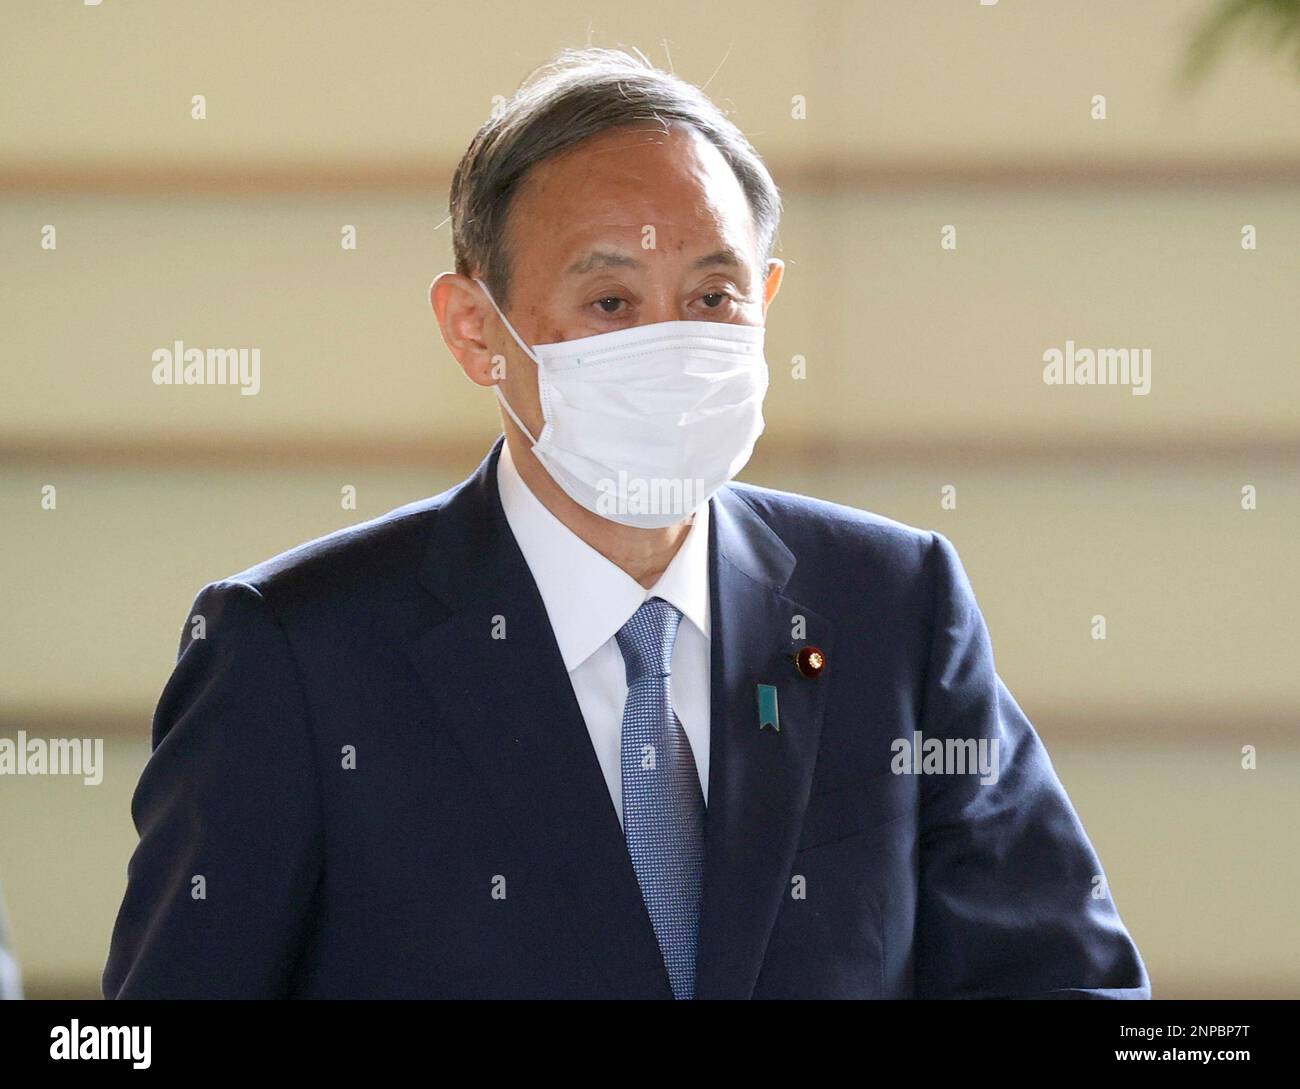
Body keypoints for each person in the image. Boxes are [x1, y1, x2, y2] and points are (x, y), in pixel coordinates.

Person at [103, 47, 1149, 999]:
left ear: (767, 299)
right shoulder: (296, 651)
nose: (670, 346)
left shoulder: (892, 606)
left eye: (711, 296)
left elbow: (1062, 984)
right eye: (609, 303)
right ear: (477, 330)